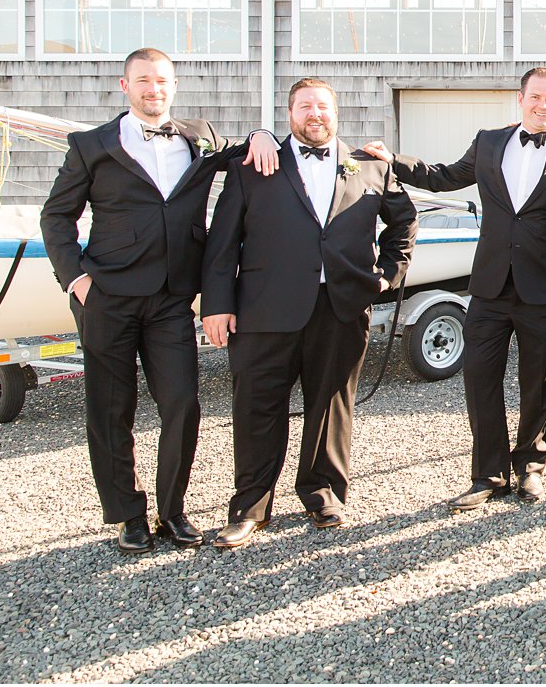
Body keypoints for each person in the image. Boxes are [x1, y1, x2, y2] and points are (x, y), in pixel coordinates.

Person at [40, 47, 278, 553]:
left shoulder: (201, 138)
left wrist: (261, 134)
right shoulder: (91, 146)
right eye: (143, 80)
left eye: (162, 80)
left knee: (183, 404)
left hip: (173, 299)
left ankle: (172, 510)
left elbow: (244, 148)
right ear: (125, 86)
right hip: (107, 296)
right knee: (110, 410)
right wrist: (74, 278)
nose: (154, 89)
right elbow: (55, 217)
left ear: (174, 86)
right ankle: (127, 513)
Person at [364, 67, 546, 511]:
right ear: (521, 98)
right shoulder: (489, 142)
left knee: (539, 383)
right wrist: (392, 160)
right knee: (479, 379)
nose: (543, 106)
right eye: (536, 97)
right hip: (490, 288)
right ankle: (488, 474)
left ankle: (530, 467)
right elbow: (444, 175)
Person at [201, 78, 415, 548]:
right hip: (264, 309)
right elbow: (222, 242)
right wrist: (215, 305)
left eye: (322, 106)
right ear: (290, 113)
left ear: (335, 112)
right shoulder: (253, 165)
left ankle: (322, 493)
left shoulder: (370, 167)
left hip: (340, 308)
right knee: (257, 406)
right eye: (304, 107)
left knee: (331, 404)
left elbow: (403, 221)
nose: (314, 115)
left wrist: (388, 274)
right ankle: (250, 506)